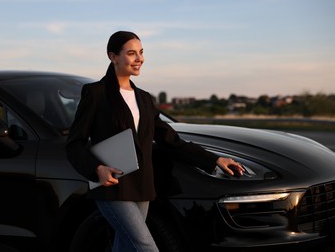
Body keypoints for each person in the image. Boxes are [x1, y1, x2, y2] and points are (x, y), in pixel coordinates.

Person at [65, 31, 245, 252]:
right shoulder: (96, 93)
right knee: (146, 247)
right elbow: (74, 143)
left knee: (125, 247)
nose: (139, 59)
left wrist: (215, 159)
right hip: (112, 186)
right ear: (113, 56)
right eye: (131, 53)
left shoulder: (144, 98)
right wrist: (96, 169)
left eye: (141, 53)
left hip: (141, 185)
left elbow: (171, 140)